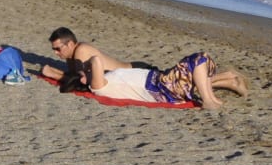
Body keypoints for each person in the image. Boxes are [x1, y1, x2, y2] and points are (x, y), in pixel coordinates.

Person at [48, 27, 248, 109]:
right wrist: (67, 75)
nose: (56, 53)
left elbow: (84, 69)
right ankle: (226, 82)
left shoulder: (82, 50)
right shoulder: (94, 80)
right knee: (193, 70)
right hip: (149, 82)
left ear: (70, 43)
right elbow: (77, 74)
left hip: (139, 71)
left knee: (190, 75)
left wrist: (77, 74)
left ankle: (226, 82)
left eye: (58, 49)